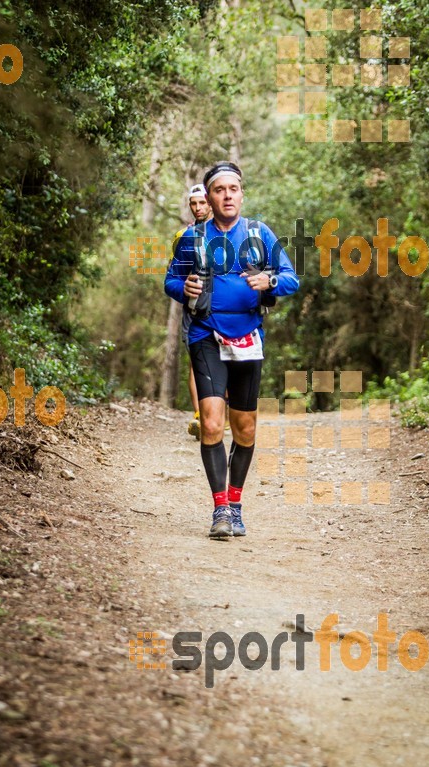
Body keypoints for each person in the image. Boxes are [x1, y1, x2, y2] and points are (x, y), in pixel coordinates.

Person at [165, 161, 300, 538]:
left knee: (245, 428)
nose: (228, 195)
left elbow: (291, 278)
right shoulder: (193, 237)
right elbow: (171, 280)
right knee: (211, 422)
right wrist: (184, 289)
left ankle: (237, 504)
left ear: (241, 194)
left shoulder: (259, 234)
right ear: (208, 197)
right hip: (205, 333)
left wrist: (269, 279)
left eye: (234, 189)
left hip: (247, 337)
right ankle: (220, 508)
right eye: (220, 190)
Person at [171, 184, 213, 439]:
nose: (198, 208)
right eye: (193, 204)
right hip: (194, 307)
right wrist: (185, 290)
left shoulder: (226, 232)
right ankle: (199, 416)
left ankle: (219, 410)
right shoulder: (183, 235)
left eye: (202, 203)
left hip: (223, 308)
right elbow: (174, 274)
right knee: (196, 360)